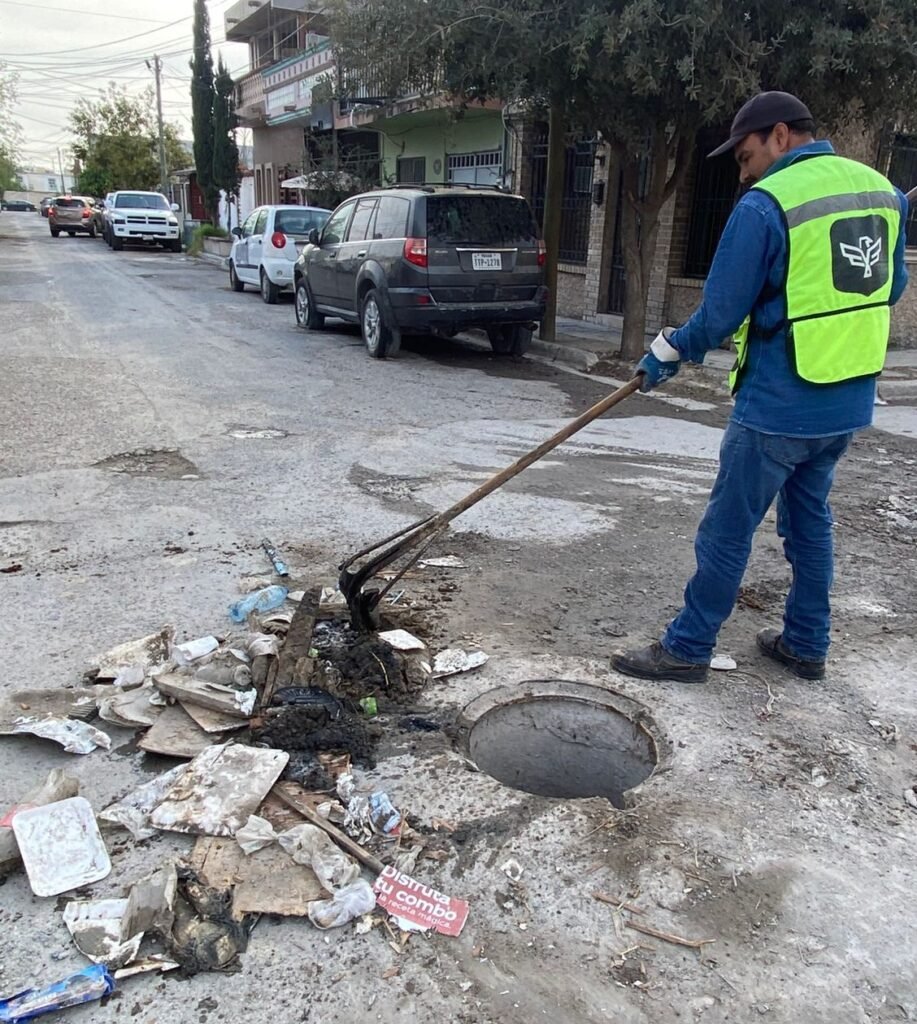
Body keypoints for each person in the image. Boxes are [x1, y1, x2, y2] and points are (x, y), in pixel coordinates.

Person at [611, 91, 909, 684]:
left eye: (745, 156)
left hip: (778, 403)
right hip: (847, 400)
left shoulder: (766, 205)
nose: (743, 172)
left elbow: (719, 316)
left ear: (779, 135)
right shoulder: (882, 192)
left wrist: (665, 353)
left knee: (727, 529)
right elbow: (892, 289)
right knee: (810, 523)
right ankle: (805, 643)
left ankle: (688, 647)